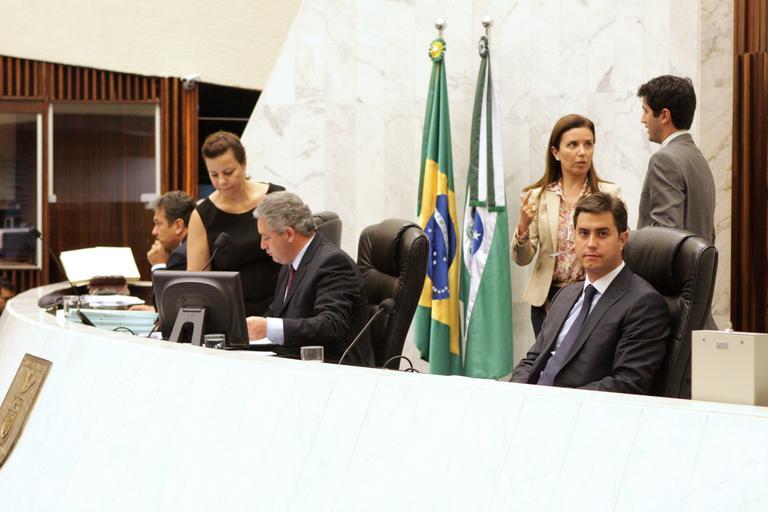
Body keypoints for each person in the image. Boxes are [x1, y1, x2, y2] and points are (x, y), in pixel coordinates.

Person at [511, 193, 670, 394]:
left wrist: (555, 401)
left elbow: (627, 384)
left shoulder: (644, 304)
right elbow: (532, 360)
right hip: (533, 403)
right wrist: (513, 394)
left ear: (622, 239)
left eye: (602, 234)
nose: (591, 243)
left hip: (579, 409)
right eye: (583, 233)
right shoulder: (565, 295)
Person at [512, 114, 621, 337]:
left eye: (588, 144)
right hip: (547, 301)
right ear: (556, 152)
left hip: (593, 296)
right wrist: (522, 228)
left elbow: (620, 249)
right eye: (573, 145)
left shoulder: (609, 194)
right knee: (548, 358)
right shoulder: (537, 196)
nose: (582, 152)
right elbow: (523, 259)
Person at [245, 192, 374, 366]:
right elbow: (276, 314)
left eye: (266, 237)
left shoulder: (332, 263)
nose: (262, 245)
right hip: (296, 362)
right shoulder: (289, 264)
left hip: (334, 368)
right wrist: (247, 332)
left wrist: (268, 328)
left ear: (289, 234)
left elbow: (331, 325)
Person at [187, 131, 285, 316]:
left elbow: (296, 257)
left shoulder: (275, 197)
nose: (222, 181)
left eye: (228, 172)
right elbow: (198, 283)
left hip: (280, 310)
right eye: (213, 175)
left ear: (244, 163)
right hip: (230, 314)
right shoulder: (202, 215)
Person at [637, 75, 716, 243]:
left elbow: (665, 237)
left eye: (646, 111)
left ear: (664, 116)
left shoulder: (664, 160)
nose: (643, 119)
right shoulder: (698, 158)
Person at [147, 191, 195, 271]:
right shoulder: (195, 243)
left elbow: (169, 281)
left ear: (178, 226)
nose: (154, 232)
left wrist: (158, 265)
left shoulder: (180, 256)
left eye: (158, 223)